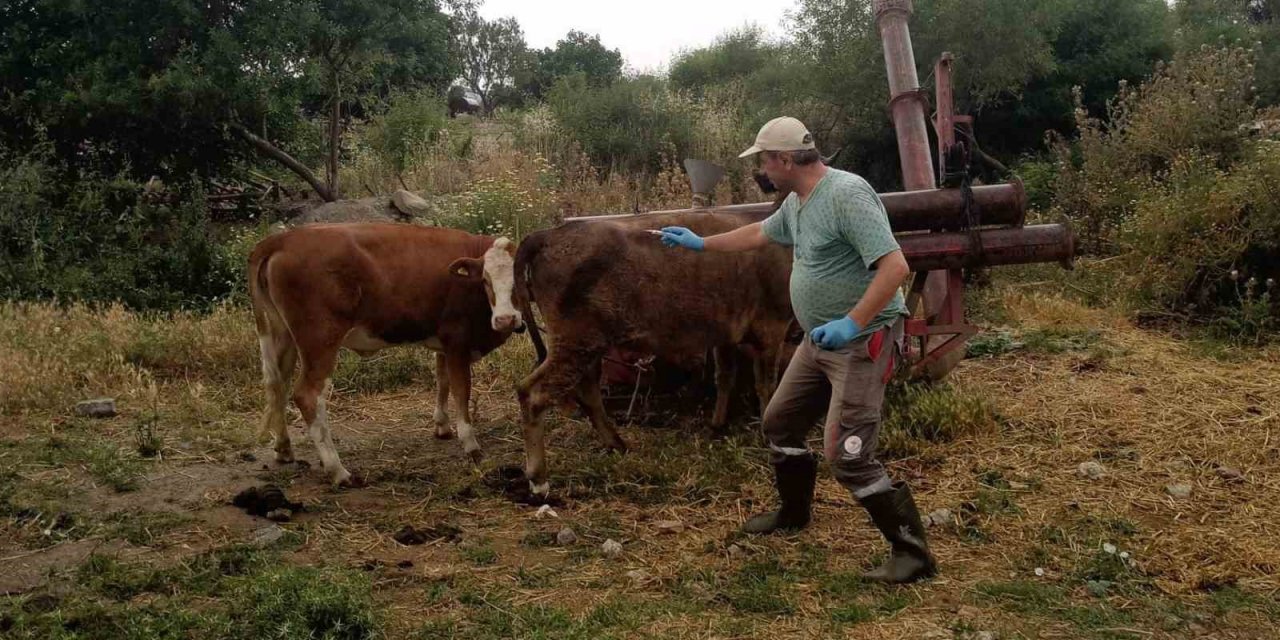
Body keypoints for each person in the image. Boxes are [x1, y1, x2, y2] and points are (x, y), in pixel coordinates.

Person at [659, 116, 937, 583]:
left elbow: (895, 267)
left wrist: (852, 322)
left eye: (765, 161)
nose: (762, 169)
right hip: (818, 340)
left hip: (861, 341)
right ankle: (794, 512)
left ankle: (912, 553)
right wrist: (700, 243)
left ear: (786, 159)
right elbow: (759, 233)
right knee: (780, 423)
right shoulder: (798, 200)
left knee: (848, 454)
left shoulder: (847, 195)